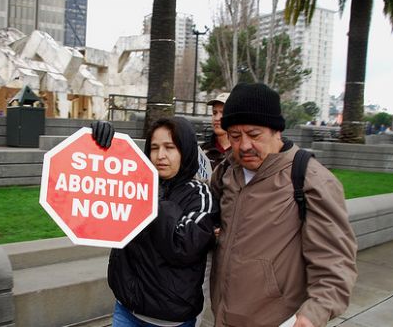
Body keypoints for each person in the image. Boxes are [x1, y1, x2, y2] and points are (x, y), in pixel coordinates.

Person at [210, 83, 357, 327]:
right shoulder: (226, 171)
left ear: (277, 131)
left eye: (254, 134)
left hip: (277, 320)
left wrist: (315, 313)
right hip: (222, 316)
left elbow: (335, 262)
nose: (244, 145)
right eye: (235, 136)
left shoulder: (311, 179)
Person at [91, 118, 218, 327]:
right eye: (154, 148)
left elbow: (184, 246)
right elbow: (98, 189)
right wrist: (98, 145)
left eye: (170, 147)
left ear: (185, 151)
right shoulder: (134, 184)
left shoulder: (201, 196)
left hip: (171, 321)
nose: (160, 156)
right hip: (126, 310)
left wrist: (155, 200)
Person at [200, 92, 232, 170]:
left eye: (223, 113)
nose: (217, 118)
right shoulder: (201, 152)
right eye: (214, 113)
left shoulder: (243, 152)